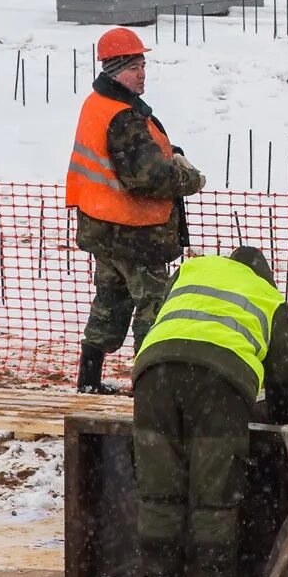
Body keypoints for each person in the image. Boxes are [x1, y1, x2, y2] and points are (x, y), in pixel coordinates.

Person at [133, 246, 288, 577]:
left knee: (159, 490)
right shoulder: (268, 298)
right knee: (214, 496)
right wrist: (279, 419)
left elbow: (156, 320)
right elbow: (287, 373)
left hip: (153, 374)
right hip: (218, 385)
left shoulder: (191, 273)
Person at [66, 27, 206, 393]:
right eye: (133, 67)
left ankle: (89, 381)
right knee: (153, 310)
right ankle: (151, 389)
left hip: (103, 229)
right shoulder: (124, 117)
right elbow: (147, 177)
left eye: (142, 64)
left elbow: (125, 161)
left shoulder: (99, 103)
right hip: (136, 233)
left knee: (109, 303)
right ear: (114, 70)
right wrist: (188, 177)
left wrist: (164, 152)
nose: (141, 73)